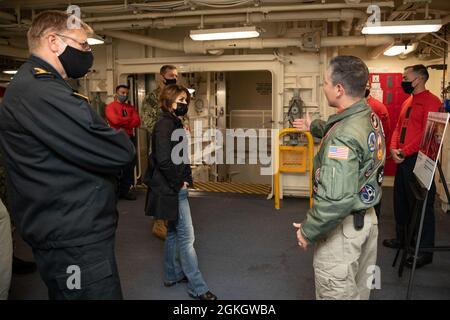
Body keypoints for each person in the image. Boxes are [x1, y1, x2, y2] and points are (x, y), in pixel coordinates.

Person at [0, 11, 135, 299]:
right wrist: (115, 140)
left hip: (68, 228)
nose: (88, 52)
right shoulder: (39, 91)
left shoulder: (43, 87)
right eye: (84, 44)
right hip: (72, 238)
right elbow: (120, 151)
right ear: (53, 41)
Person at [292, 56, 385, 300]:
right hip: (367, 220)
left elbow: (336, 200)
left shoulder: (342, 138)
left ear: (339, 89)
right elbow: (345, 131)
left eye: (325, 82)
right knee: (358, 292)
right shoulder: (368, 115)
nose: (324, 87)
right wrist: (315, 126)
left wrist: (309, 230)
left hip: (343, 231)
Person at [144, 84, 217, 300]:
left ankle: (172, 274)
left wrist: (187, 178)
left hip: (173, 186)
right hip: (171, 189)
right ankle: (198, 287)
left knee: (174, 233)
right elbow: (164, 160)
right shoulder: (165, 125)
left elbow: (180, 156)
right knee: (187, 237)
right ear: (168, 102)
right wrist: (179, 183)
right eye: (180, 101)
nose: (185, 104)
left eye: (186, 100)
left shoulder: (174, 122)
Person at [383, 65, 442, 269]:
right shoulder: (408, 101)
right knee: (401, 202)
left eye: (406, 77)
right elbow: (399, 126)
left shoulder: (433, 102)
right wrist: (393, 148)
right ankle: (403, 239)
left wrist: (404, 151)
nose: (403, 80)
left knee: (422, 206)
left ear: (418, 79)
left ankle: (423, 251)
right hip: (402, 159)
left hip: (420, 159)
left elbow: (428, 133)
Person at [141, 65, 178, 240]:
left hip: (176, 147)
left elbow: (182, 117)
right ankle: (158, 221)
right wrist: (165, 129)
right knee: (158, 184)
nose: (174, 78)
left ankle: (169, 218)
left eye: (176, 75)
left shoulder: (177, 97)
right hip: (158, 147)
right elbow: (146, 121)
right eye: (171, 75)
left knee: (173, 182)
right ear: (161, 76)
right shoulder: (151, 98)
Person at [105, 85, 141, 200]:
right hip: (116, 138)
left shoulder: (130, 107)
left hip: (129, 138)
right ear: (116, 93)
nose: (124, 95)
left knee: (130, 164)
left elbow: (137, 121)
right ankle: (115, 191)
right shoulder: (110, 107)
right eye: (122, 93)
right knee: (117, 165)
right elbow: (114, 120)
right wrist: (128, 120)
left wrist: (122, 122)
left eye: (126, 93)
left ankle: (125, 190)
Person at [365, 82, 390, 218]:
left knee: (373, 187)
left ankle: (374, 218)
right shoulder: (347, 108)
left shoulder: (378, 107)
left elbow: (386, 130)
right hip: (363, 156)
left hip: (374, 155)